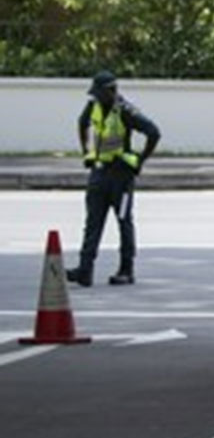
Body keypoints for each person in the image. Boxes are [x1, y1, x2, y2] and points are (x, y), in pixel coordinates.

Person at [67, 71, 162, 287]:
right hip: (99, 173)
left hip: (122, 177)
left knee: (123, 221)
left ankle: (126, 270)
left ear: (111, 91)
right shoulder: (94, 106)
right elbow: (82, 124)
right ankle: (85, 270)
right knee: (92, 222)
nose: (96, 97)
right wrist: (86, 152)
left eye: (100, 93)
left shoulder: (126, 111)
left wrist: (140, 160)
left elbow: (154, 132)